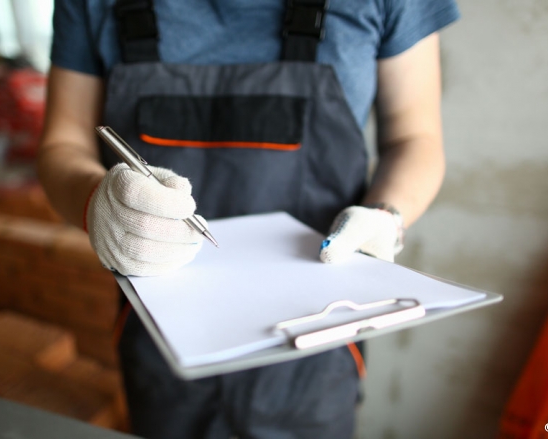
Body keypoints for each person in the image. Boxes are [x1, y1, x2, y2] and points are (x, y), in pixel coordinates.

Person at [37, 1, 459, 437]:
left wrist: (388, 215)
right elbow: (63, 142)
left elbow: (416, 138)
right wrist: (93, 200)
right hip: (162, 349)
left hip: (319, 345)